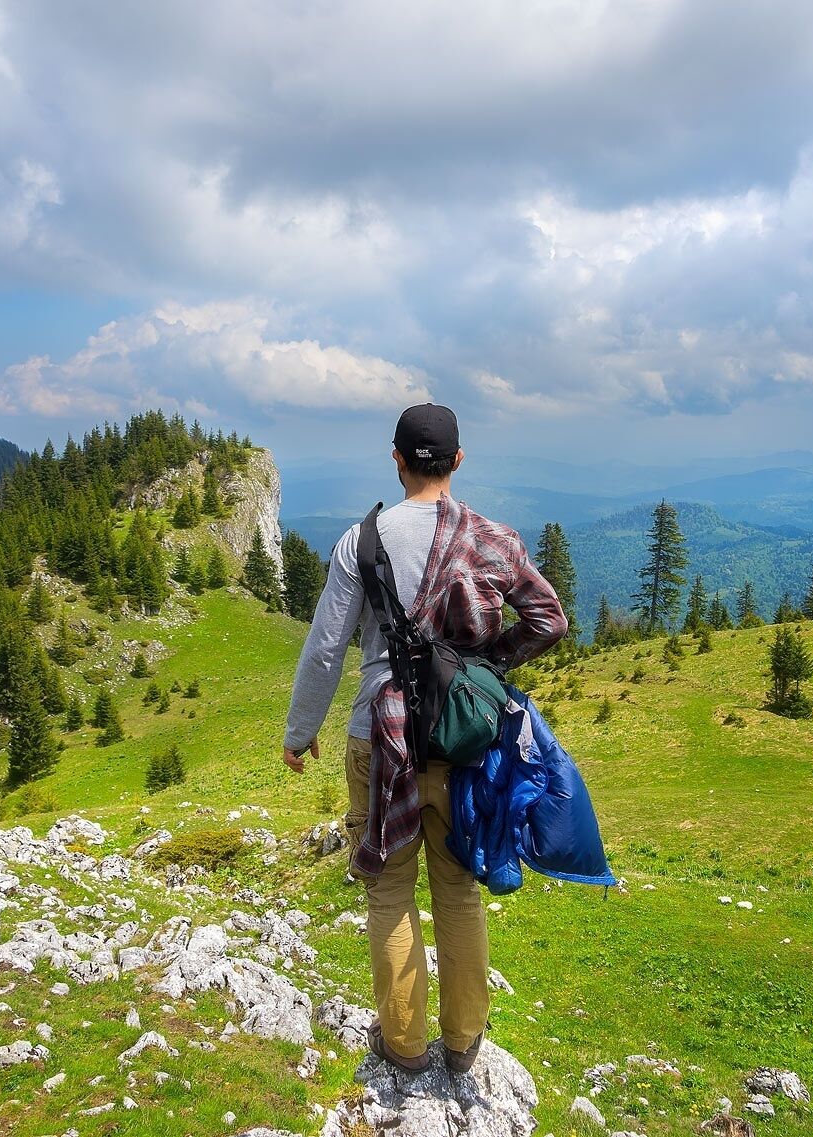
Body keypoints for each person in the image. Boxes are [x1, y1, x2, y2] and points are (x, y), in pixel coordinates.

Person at [281, 403, 568, 1073]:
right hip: (464, 742)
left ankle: (403, 1045)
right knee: (459, 891)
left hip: (378, 737)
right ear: (458, 460)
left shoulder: (364, 540)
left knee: (389, 891)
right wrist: (485, 665)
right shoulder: (495, 538)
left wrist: (299, 732)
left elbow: (326, 649)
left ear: (396, 458)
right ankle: (464, 1043)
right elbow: (548, 618)